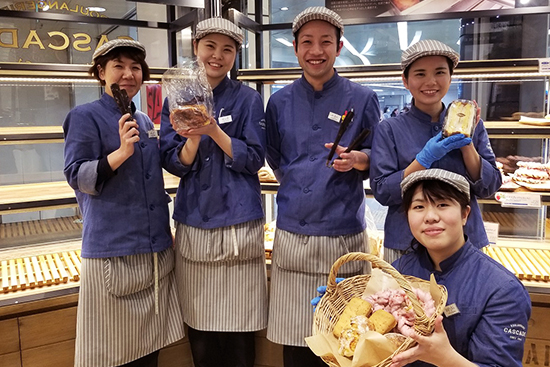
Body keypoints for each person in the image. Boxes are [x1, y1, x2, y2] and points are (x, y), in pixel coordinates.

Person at [265, 6, 381, 366]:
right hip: (291, 234)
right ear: (296, 48)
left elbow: (379, 156)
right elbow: (276, 158)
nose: (317, 50)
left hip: (341, 232)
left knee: (343, 340)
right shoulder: (280, 101)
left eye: (325, 42)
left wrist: (357, 160)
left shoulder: (362, 98)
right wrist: (304, 182)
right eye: (308, 43)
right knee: (295, 342)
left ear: (339, 46)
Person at [63, 39, 184, 367]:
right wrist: (119, 154)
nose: (128, 74)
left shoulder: (143, 120)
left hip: (154, 253)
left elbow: (151, 182)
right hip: (113, 254)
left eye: (135, 67)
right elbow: (76, 174)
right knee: (114, 356)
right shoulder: (83, 116)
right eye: (119, 66)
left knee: (149, 353)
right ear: (102, 73)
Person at [159, 18, 268, 367]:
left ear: (236, 54)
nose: (217, 56)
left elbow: (253, 159)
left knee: (240, 335)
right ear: (196, 48)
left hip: (239, 223)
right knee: (201, 333)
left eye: (227, 49)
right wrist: (193, 135)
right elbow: (172, 163)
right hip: (195, 223)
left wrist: (214, 132)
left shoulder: (248, 99)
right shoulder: (177, 97)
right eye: (210, 47)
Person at [370, 39, 502, 264]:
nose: (430, 82)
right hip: (407, 242)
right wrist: (423, 160)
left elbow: (490, 186)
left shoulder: (472, 123)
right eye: (420, 74)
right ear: (405, 80)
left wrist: (467, 144)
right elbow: (382, 191)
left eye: (440, 72)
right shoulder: (389, 129)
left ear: (450, 77)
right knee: (406, 299)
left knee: (466, 299)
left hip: (465, 240)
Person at [389, 168, 530, 367]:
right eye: (419, 207)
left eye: (442, 204)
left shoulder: (502, 290)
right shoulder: (397, 272)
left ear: (465, 213)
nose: (430, 216)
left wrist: (446, 358)